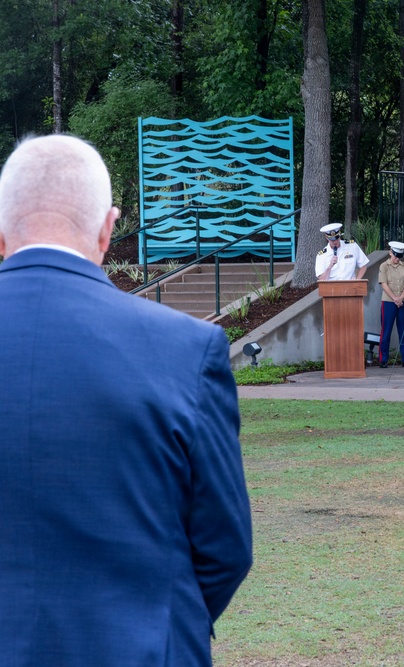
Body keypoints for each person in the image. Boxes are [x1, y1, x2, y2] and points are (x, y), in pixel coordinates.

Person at [0, 134, 252, 664]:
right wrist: (157, 625)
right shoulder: (184, 348)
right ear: (108, 229)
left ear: (1, 234)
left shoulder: (188, 347)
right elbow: (225, 547)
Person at [378, 241, 404, 368]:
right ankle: (383, 359)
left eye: (399, 256)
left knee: (403, 331)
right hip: (388, 301)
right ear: (390, 252)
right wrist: (395, 299)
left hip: (403, 301)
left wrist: (401, 298)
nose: (397, 259)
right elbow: (383, 283)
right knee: (386, 331)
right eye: (395, 256)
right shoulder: (384, 266)